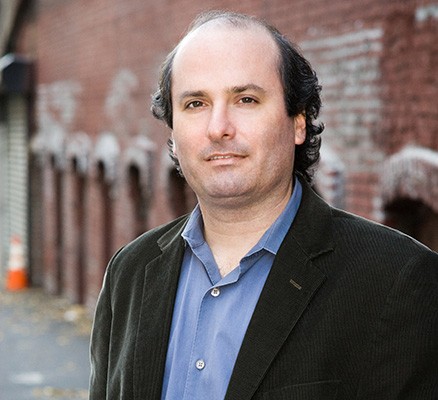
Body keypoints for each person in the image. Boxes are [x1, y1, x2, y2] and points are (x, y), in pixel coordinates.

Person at [89, 10, 438, 400]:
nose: (218, 127)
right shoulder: (129, 272)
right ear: (172, 132)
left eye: (246, 99)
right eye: (195, 104)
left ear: (298, 122)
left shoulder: (397, 280)